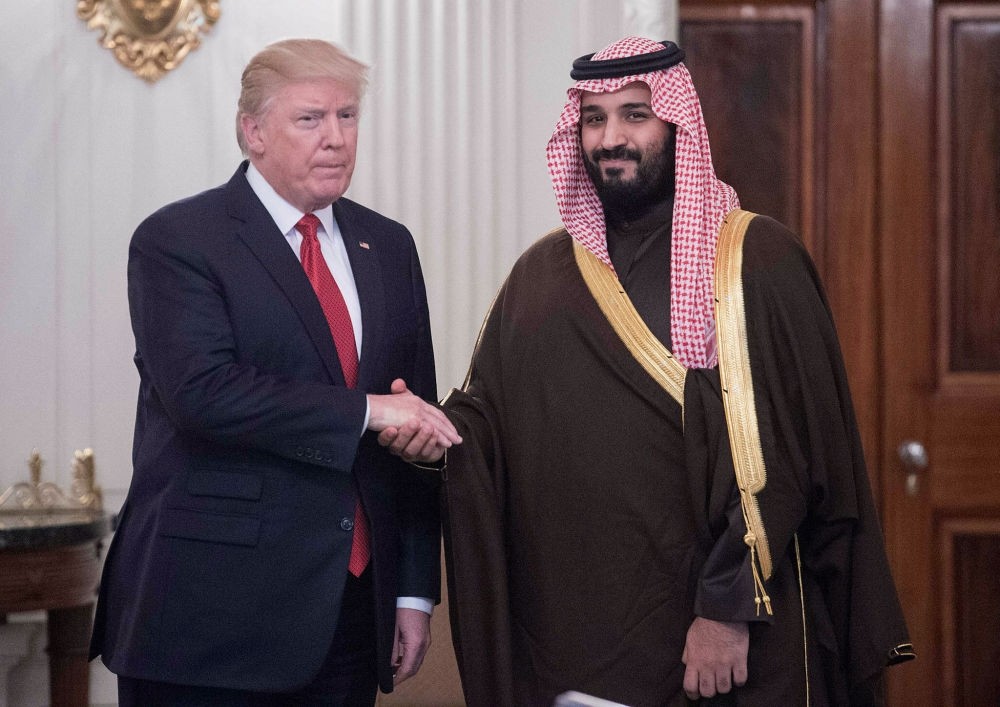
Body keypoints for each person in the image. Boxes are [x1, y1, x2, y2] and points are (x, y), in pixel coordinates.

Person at [381, 36, 914, 706]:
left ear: (676, 122)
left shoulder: (757, 261)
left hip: (724, 636)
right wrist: (433, 435)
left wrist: (726, 608)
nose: (611, 137)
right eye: (594, 118)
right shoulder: (542, 274)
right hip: (584, 645)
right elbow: (491, 424)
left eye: (635, 114)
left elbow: (781, 453)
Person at [89, 38, 461, 706]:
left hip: (348, 614)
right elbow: (204, 394)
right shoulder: (179, 240)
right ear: (252, 132)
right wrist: (371, 412)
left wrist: (411, 589)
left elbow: (415, 413)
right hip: (207, 620)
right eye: (310, 119)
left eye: (347, 117)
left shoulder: (389, 245)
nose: (336, 138)